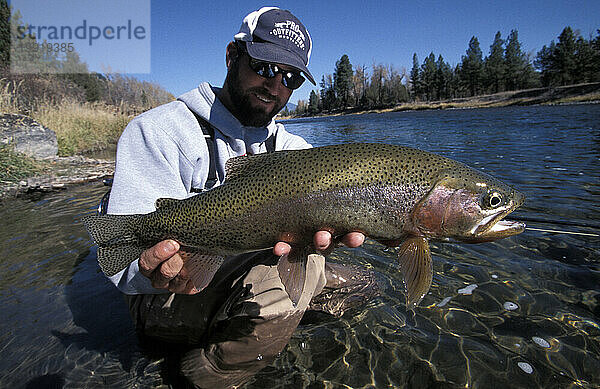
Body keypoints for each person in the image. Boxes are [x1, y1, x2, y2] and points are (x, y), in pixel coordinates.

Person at [104, 7, 378, 388]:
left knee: (362, 285)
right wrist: (148, 266)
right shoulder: (159, 131)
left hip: (237, 267)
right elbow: (121, 264)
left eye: (291, 78)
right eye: (265, 67)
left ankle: (258, 335)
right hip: (166, 292)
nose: (275, 85)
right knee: (294, 281)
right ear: (233, 56)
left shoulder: (294, 150)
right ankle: (202, 375)